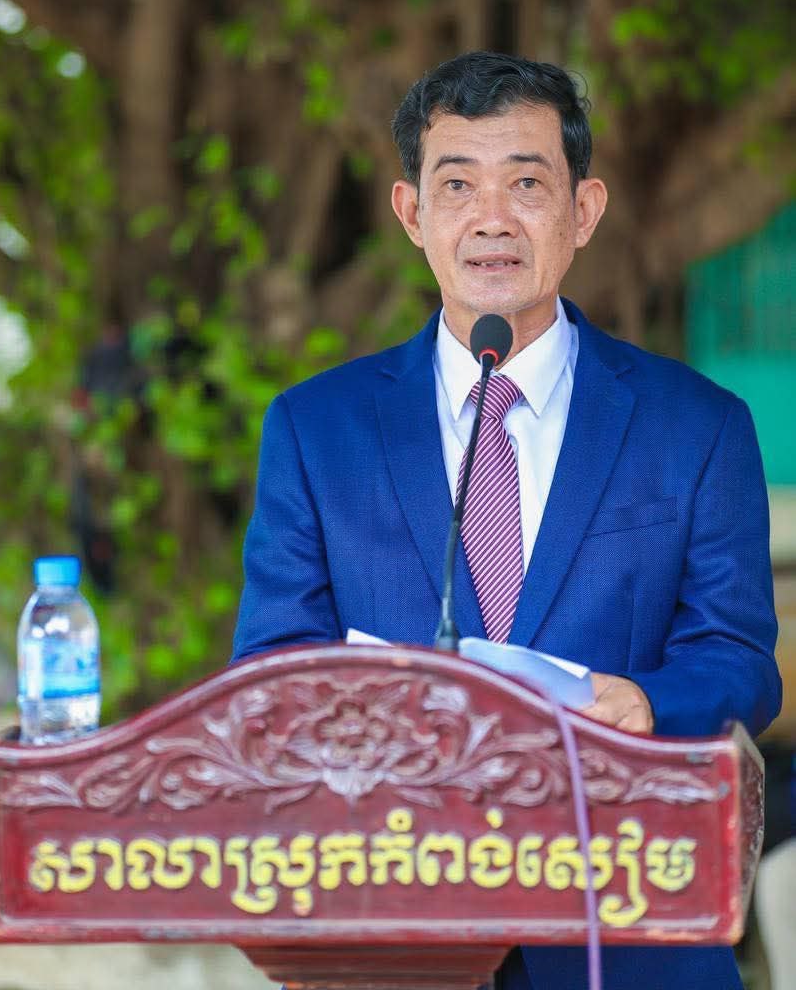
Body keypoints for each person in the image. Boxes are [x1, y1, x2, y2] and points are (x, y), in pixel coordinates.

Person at [232, 51, 781, 990]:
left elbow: (738, 659)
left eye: (527, 183)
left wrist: (649, 703)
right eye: (457, 185)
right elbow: (272, 668)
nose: (492, 218)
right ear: (412, 214)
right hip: (392, 933)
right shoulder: (316, 430)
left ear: (583, 210)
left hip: (626, 931)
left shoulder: (697, 425)